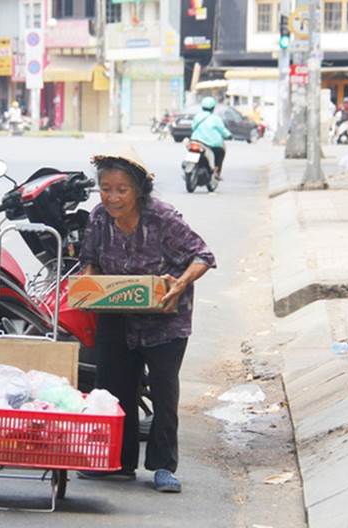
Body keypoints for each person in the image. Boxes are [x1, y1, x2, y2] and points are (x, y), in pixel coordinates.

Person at [76, 147, 216, 492]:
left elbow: (203, 255)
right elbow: (89, 260)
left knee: (164, 393)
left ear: (138, 190)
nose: (112, 197)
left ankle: (163, 467)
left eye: (121, 190)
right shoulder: (98, 219)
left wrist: (179, 284)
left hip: (165, 322)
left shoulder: (163, 218)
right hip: (116, 317)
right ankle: (118, 464)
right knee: (113, 391)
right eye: (106, 189)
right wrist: (90, 286)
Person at [190, 96, 231, 180]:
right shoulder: (216, 119)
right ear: (213, 107)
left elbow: (193, 127)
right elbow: (223, 130)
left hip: (196, 141)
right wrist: (229, 135)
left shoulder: (197, 117)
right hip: (211, 144)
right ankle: (216, 172)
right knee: (220, 152)